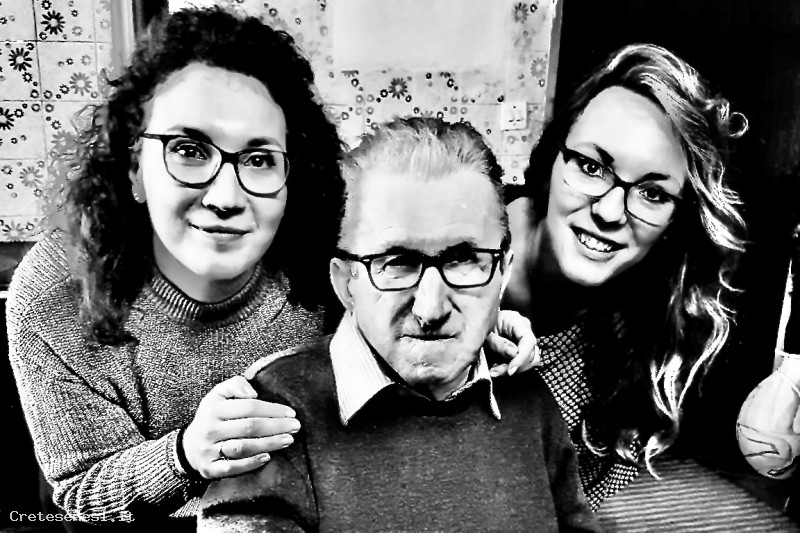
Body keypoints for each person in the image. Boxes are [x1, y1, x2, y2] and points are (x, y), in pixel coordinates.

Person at [6, 7, 537, 527]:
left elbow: (399, 318)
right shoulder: (55, 292)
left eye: (259, 160)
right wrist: (185, 457)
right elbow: (80, 495)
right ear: (134, 170)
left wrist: (471, 330)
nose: (225, 197)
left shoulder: (323, 254)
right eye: (189, 150)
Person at [198, 117, 601, 532]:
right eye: (396, 263)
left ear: (502, 273)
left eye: (463, 260)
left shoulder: (528, 395)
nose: (431, 309)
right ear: (345, 283)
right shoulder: (271, 412)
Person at [504, 43, 748, 509]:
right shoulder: (438, 253)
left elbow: (570, 510)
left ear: (676, 222)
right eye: (591, 167)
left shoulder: (642, 341)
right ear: (552, 159)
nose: (610, 212)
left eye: (652, 194)